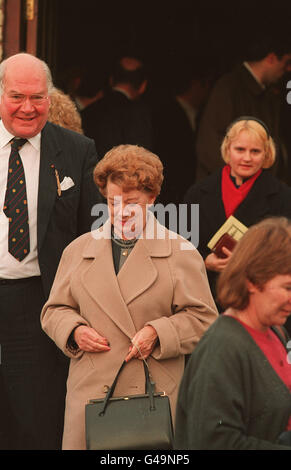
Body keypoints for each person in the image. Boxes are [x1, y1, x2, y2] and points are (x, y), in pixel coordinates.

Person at [40, 144, 218, 450]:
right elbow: (54, 310)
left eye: (132, 203)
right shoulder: (78, 250)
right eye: (112, 202)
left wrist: (158, 332)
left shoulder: (181, 253)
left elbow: (205, 321)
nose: (121, 212)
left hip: (153, 398)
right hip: (90, 393)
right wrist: (74, 331)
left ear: (152, 198)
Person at [0, 53, 101, 450]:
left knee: (35, 419)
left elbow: (93, 234)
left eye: (38, 97)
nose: (28, 107)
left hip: (38, 302)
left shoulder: (77, 150)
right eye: (16, 96)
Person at [175, 216, 291, 450]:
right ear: (251, 281)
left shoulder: (276, 331)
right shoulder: (223, 347)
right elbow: (213, 442)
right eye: (287, 287)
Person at [184, 116, 291, 312]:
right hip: (205, 299)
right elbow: (180, 247)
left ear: (267, 154)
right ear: (227, 149)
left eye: (255, 151)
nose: (247, 158)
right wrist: (204, 261)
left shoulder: (283, 197)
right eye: (240, 149)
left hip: (259, 301)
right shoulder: (197, 193)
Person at [195, 32, 291, 182]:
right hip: (229, 196)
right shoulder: (228, 87)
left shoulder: (269, 97)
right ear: (271, 58)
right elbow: (208, 147)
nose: (288, 69)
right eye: (286, 63)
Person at [80, 56, 153, 157]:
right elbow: (139, 162)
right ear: (143, 86)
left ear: (111, 80)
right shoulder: (137, 114)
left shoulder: (87, 112)